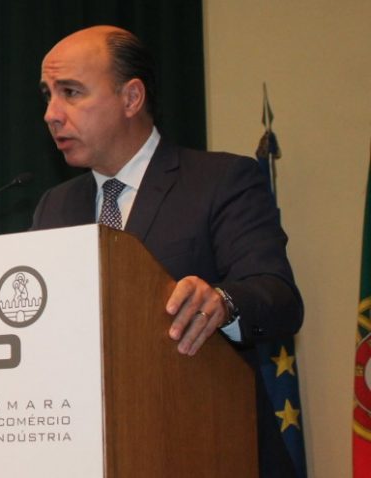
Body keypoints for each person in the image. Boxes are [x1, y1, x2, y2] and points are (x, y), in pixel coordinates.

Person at [31, 25, 303, 477]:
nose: (51, 114)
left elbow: (278, 297)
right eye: (48, 95)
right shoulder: (54, 207)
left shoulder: (220, 181)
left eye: (71, 92)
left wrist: (222, 301)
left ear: (131, 98)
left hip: (209, 447)